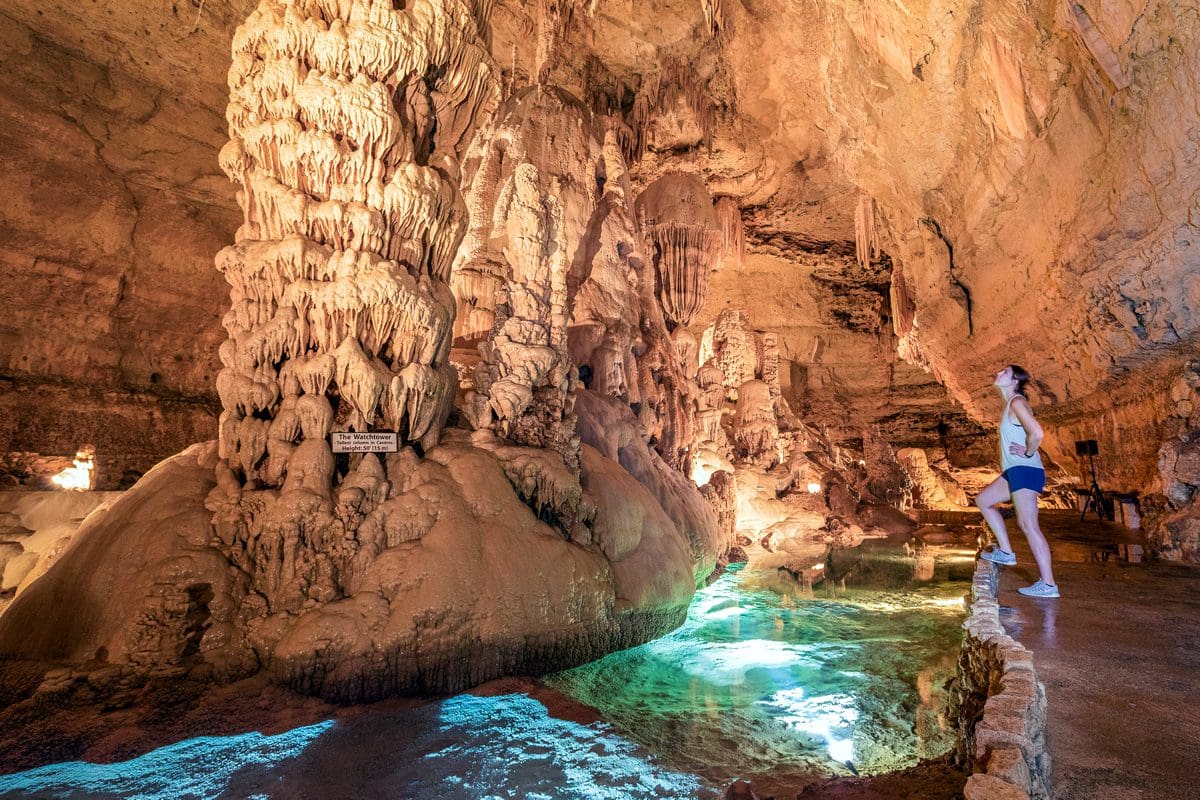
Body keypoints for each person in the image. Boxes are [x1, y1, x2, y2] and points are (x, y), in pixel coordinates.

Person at [976, 364, 1060, 598]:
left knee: (1028, 525)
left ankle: (1049, 584)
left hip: (1025, 470)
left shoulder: (1017, 402)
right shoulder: (1010, 404)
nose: (998, 373)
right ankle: (1006, 552)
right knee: (983, 500)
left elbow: (1037, 433)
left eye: (1005, 372)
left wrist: (1029, 452)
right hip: (1014, 471)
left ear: (1015, 381)